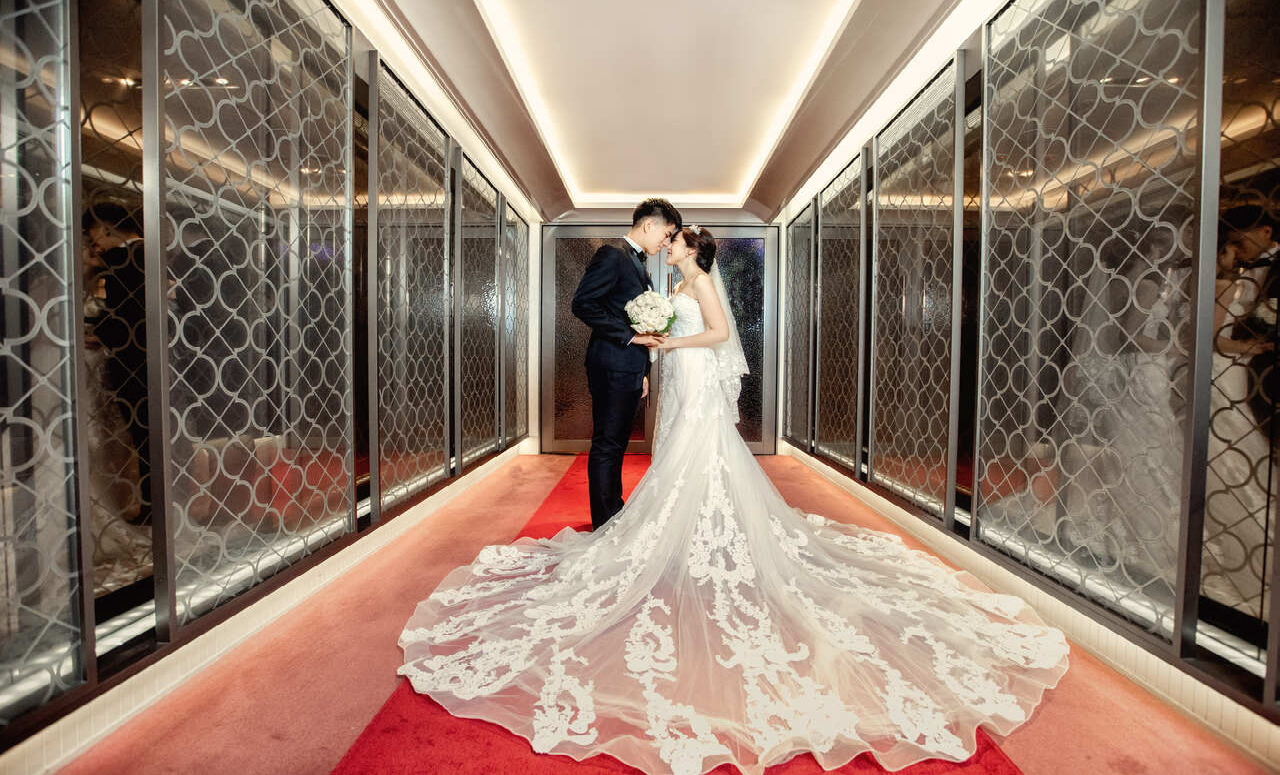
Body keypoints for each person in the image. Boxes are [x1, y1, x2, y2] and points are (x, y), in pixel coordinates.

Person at [399, 226, 1069, 775]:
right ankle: (682, 530)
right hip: (680, 379)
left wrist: (670, 340)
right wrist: (658, 349)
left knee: (699, 458)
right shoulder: (675, 284)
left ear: (693, 249)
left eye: (677, 241)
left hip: (694, 375)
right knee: (674, 459)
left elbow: (720, 335)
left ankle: (698, 533)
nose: (671, 246)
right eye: (670, 239)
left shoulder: (698, 284)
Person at [571, 198, 681, 530]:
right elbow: (583, 304)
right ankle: (604, 523)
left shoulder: (636, 263)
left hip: (628, 368)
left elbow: (632, 317)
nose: (666, 243)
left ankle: (613, 512)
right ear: (649, 225)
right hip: (611, 365)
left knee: (616, 443)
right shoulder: (612, 255)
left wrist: (643, 371)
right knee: (607, 444)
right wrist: (631, 338)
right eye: (666, 235)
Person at [83, 202, 151, 526]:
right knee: (149, 436)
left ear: (105, 227)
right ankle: (158, 504)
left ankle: (153, 506)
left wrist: (100, 333)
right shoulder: (147, 254)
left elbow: (127, 314)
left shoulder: (124, 260)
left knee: (144, 436)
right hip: (149, 360)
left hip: (134, 362)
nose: (95, 243)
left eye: (93, 234)